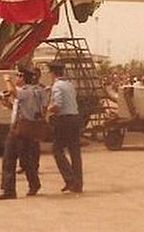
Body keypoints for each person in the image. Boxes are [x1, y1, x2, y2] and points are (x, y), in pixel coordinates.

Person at [0, 68, 47, 200]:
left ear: (23, 77)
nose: (16, 78)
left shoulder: (25, 91)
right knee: (25, 159)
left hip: (20, 129)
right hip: (25, 128)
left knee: (9, 159)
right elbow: (19, 108)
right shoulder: (33, 92)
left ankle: (9, 190)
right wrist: (7, 104)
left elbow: (13, 91)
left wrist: (7, 79)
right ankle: (34, 183)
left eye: (18, 76)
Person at [48, 63, 83, 193]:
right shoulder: (69, 85)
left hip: (64, 120)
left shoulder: (57, 86)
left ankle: (70, 179)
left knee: (57, 150)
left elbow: (57, 105)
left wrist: (48, 109)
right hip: (74, 118)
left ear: (53, 73)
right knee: (75, 152)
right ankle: (78, 183)